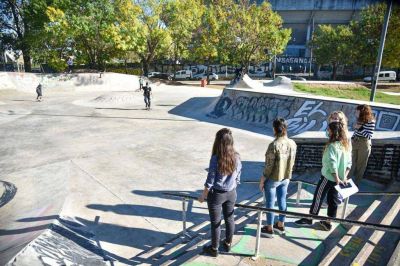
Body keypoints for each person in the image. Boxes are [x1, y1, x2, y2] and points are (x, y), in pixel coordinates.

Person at [295, 121, 352, 231]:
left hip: (328, 178)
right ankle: (328, 222)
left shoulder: (331, 146)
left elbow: (332, 163)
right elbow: (349, 163)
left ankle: (310, 218)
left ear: (332, 132)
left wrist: (336, 178)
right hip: (339, 180)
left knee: (318, 197)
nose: (327, 131)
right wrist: (343, 177)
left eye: (328, 130)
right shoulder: (344, 145)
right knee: (333, 201)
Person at [198, 128, 242, 257]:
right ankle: (228, 243)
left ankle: (214, 248)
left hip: (217, 195)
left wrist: (203, 196)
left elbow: (210, 180)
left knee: (215, 223)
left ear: (218, 142)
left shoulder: (216, 158)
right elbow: (238, 176)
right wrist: (232, 186)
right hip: (231, 192)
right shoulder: (237, 157)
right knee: (230, 218)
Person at [259, 118, 297, 238]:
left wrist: (262, 180)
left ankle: (269, 228)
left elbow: (269, 166)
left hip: (273, 178)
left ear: (275, 129)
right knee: (282, 200)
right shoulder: (292, 143)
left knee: (270, 203)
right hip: (286, 177)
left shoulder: (274, 145)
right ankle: (280, 224)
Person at [350, 105, 375, 184]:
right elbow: (356, 131)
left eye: (357, 111)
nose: (356, 112)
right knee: (350, 163)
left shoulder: (371, 121)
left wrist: (360, 128)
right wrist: (352, 138)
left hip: (364, 143)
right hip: (355, 141)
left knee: (361, 165)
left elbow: (369, 136)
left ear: (363, 112)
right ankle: (347, 182)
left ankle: (356, 183)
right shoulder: (359, 119)